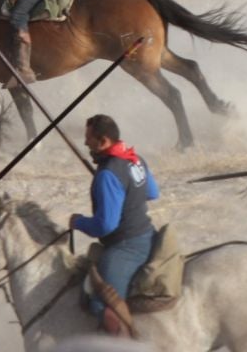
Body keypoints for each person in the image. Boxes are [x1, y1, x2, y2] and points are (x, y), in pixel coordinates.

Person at [70, 114, 158, 340]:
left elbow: (106, 225)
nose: (85, 142)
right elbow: (152, 192)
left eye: (89, 138)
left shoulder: (108, 174)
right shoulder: (135, 159)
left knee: (102, 304)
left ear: (103, 141)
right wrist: (124, 190)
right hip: (149, 235)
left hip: (126, 247)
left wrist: (78, 222)